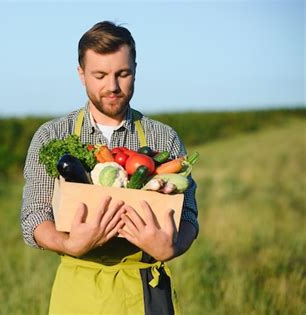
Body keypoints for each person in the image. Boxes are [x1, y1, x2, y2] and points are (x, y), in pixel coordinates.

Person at [21, 21, 199, 315]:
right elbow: (33, 216)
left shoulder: (162, 137)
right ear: (81, 74)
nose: (112, 86)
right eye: (100, 75)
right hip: (79, 288)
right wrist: (69, 243)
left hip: (146, 287)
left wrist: (173, 248)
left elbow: (189, 213)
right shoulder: (51, 135)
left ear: (135, 70)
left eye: (123, 74)